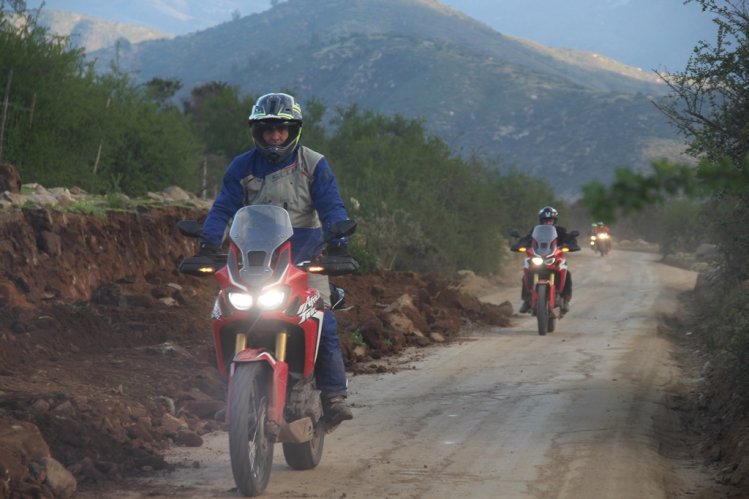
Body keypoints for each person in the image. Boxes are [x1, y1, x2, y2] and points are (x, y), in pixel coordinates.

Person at [195, 92, 356, 425]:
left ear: (293, 130)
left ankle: (333, 393)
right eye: (268, 129)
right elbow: (224, 208)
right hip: (255, 261)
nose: (275, 136)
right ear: (258, 132)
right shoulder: (242, 166)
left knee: (322, 318)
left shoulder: (314, 164)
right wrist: (208, 243)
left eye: (281, 129)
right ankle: (235, 392)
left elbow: (331, 207)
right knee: (225, 312)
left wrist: (338, 239)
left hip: (304, 259)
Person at [512, 206, 580, 314]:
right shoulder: (535, 231)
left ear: (554, 221)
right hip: (537, 258)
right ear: (541, 221)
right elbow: (526, 239)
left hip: (555, 259)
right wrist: (520, 245)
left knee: (567, 274)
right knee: (526, 273)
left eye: (550, 220)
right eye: (545, 220)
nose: (548, 222)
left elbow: (569, 238)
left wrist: (572, 244)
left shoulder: (560, 231)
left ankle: (565, 300)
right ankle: (526, 300)